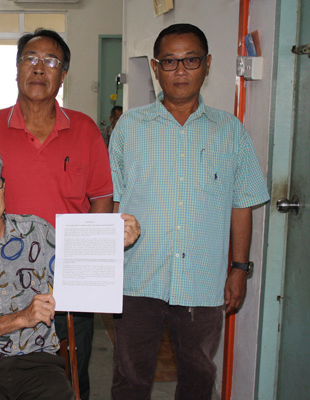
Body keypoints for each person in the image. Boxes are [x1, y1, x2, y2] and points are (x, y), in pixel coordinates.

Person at [0, 29, 132, 399]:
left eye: (51, 61)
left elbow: (102, 198)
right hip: (0, 282)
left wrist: (93, 262)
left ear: (64, 74)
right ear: (16, 68)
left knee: (70, 376)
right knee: (1, 375)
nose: (40, 68)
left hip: (68, 283)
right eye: (31, 58)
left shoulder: (85, 130)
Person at [109, 23, 270, 400]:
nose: (180, 71)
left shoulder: (230, 132)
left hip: (202, 281)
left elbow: (241, 204)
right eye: (170, 62)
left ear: (208, 64)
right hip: (136, 277)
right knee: (130, 377)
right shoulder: (129, 128)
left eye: (191, 60)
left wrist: (239, 269)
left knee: (199, 377)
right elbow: (114, 203)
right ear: (155, 66)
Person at [0, 139, 140, 399]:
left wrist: (113, 241)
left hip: (39, 364)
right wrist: (21, 318)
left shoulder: (36, 232)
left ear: (3, 185)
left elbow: (79, 271)